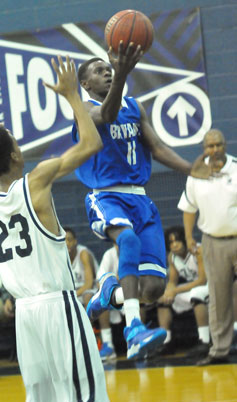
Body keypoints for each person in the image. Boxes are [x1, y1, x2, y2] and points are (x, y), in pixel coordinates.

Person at [72, 42, 213, 360]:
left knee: (153, 289)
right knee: (129, 241)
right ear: (85, 83)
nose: (107, 73)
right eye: (100, 71)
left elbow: (158, 148)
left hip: (141, 200)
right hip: (106, 195)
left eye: (109, 69)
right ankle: (133, 328)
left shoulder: (135, 108)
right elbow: (107, 114)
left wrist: (192, 169)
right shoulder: (82, 107)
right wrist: (122, 70)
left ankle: (110, 293)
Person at [0, 56, 112, 402]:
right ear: (16, 154)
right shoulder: (36, 181)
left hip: (24, 317)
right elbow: (91, 144)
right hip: (56, 305)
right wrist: (73, 97)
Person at [178, 128, 237, 366]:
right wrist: (189, 236)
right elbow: (189, 208)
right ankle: (219, 351)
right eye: (209, 146)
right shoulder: (195, 175)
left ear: (225, 145)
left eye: (218, 145)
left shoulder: (236, 167)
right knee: (218, 297)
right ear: (204, 149)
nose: (214, 150)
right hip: (212, 241)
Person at [157, 226, 210, 358]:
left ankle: (205, 341)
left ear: (184, 240)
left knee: (196, 294)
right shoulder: (172, 257)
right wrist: (169, 291)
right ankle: (167, 343)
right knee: (162, 300)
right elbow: (173, 281)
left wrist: (175, 290)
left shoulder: (198, 250)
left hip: (211, 285)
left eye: (177, 241)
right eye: (171, 242)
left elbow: (202, 280)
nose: (174, 245)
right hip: (192, 287)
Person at [64, 226, 98, 308]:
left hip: (91, 289)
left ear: (75, 241)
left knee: (87, 296)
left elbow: (89, 284)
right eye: (64, 240)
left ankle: (88, 321)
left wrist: (72, 295)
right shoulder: (60, 257)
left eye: (69, 240)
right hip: (74, 293)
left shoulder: (83, 253)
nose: (67, 243)